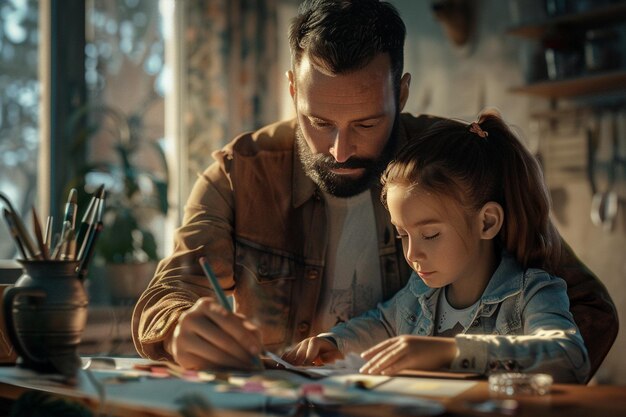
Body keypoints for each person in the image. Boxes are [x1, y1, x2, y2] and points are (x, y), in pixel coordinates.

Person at [131, 0, 617, 377]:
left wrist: (501, 390)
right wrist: (178, 330)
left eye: (366, 123)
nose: (340, 150)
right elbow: (166, 297)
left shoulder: (450, 162)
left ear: (401, 93)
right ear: (292, 91)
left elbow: (589, 310)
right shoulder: (240, 174)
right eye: (319, 122)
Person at [282, 111, 590, 383]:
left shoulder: (531, 293)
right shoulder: (420, 295)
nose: (412, 254)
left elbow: (569, 357)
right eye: (403, 235)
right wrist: (335, 342)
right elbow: (381, 324)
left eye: (430, 235)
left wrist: (450, 351)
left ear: (487, 222)